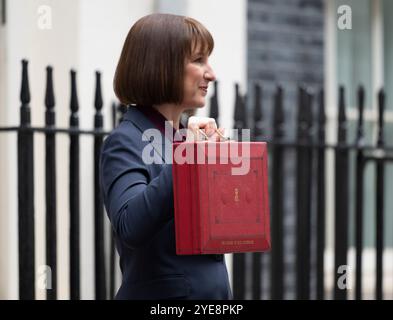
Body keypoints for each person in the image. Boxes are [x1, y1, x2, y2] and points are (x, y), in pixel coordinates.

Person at [99, 13, 232, 300]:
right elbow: (130, 225)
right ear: (163, 65)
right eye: (198, 60)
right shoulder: (125, 140)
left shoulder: (186, 137)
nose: (211, 73)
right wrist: (188, 158)